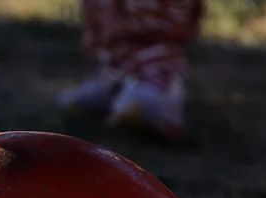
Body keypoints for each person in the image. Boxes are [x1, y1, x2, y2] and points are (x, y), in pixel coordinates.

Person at [59, 0, 204, 139]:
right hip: (113, 66)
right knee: (71, 101)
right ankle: (115, 97)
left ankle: (157, 105)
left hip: (156, 62)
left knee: (143, 102)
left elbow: (182, 24)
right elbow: (94, 24)